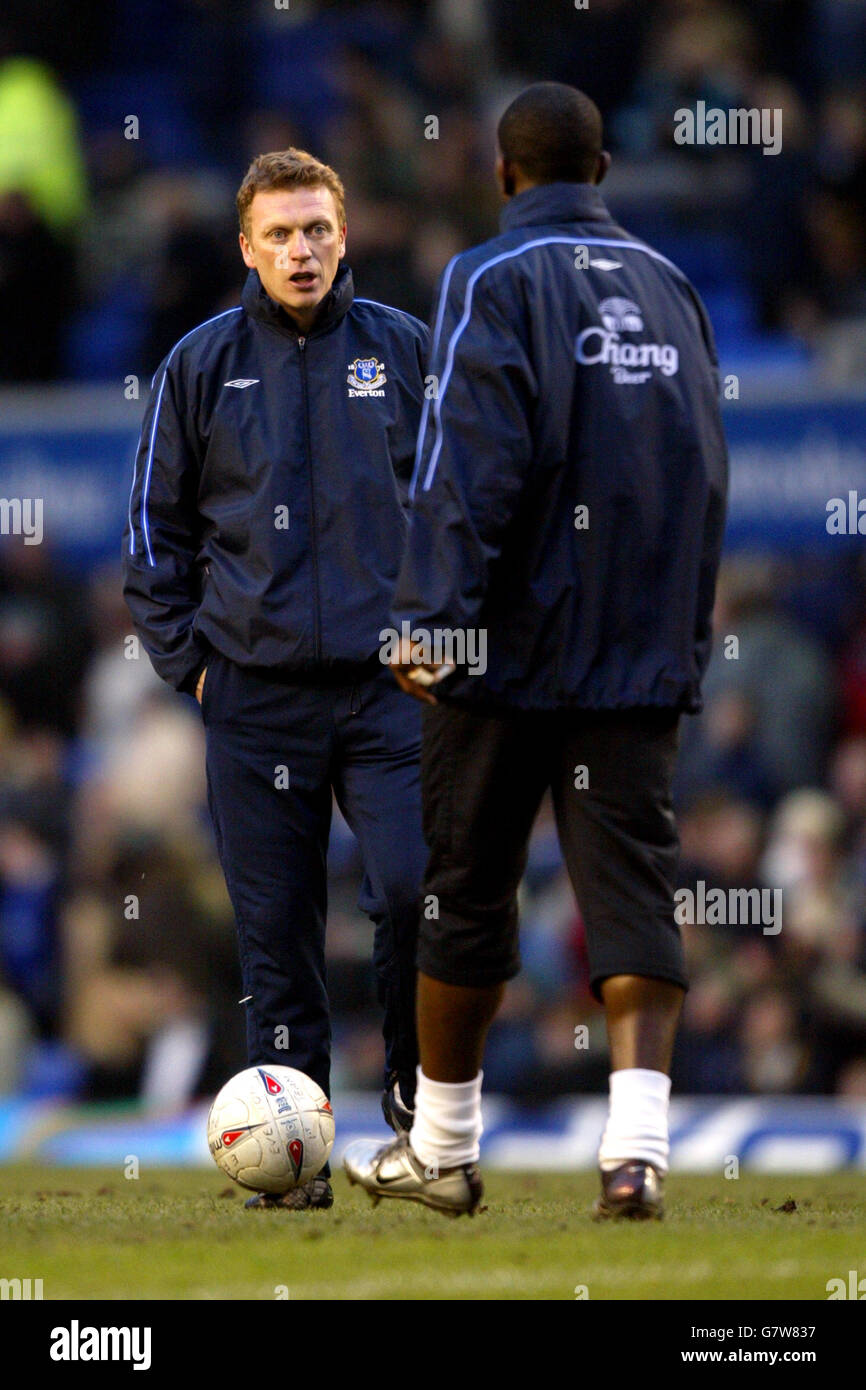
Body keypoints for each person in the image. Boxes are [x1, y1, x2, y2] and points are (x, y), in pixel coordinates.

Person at [344, 83, 728, 1219]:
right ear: (601, 170)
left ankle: (445, 1150)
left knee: (466, 890)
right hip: (634, 648)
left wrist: (430, 615)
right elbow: (702, 471)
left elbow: (470, 458)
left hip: (501, 648)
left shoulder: (486, 277)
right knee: (630, 888)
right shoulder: (673, 286)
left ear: (504, 176)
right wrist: (678, 634)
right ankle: (636, 1154)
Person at [123, 148, 429, 1211]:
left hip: (392, 691)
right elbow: (152, 537)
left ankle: (418, 1120)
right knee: (276, 932)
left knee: (415, 891)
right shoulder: (198, 367)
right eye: (279, 235)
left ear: (344, 235)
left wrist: (446, 639)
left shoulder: (405, 352)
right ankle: (294, 1165)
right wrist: (196, 673)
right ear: (245, 249)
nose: (300, 250)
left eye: (316, 230)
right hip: (253, 698)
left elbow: (465, 512)